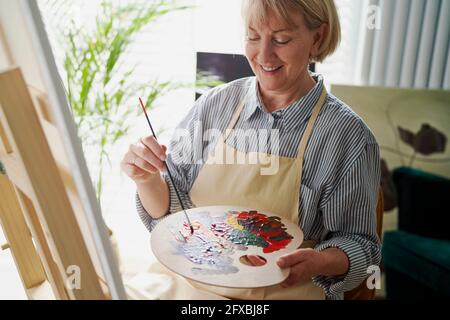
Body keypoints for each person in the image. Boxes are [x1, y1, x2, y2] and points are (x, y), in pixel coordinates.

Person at [121, 0, 381, 300]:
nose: (264, 55)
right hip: (186, 290)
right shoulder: (215, 105)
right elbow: (168, 211)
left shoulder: (349, 137)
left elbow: (363, 248)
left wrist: (321, 261)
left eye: (281, 39)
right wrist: (146, 179)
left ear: (318, 38)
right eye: (253, 37)